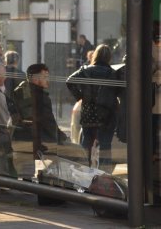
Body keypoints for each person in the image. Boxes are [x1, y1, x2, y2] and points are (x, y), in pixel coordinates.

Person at [66, 44, 119, 173]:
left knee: (86, 143)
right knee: (105, 145)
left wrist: (80, 96)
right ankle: (104, 174)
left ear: (95, 55)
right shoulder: (112, 73)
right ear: (108, 58)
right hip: (107, 114)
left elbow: (69, 81)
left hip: (89, 112)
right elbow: (118, 90)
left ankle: (83, 171)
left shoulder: (85, 70)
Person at [12, 64, 68, 179]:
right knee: (71, 153)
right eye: (45, 76)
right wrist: (63, 138)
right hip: (37, 141)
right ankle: (46, 177)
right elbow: (49, 123)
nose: (48, 80)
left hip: (20, 138)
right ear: (35, 79)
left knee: (26, 176)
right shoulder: (40, 96)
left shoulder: (20, 91)